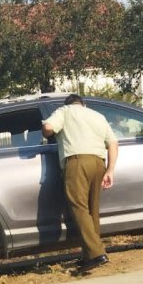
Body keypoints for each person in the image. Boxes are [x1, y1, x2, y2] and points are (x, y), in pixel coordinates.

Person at [42, 95, 118, 274]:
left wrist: (46, 133)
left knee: (79, 208)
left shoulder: (64, 111)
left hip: (77, 162)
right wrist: (110, 170)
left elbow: (48, 127)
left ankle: (97, 254)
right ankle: (90, 255)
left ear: (68, 104)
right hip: (99, 162)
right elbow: (113, 144)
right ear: (83, 104)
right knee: (92, 210)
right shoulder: (97, 115)